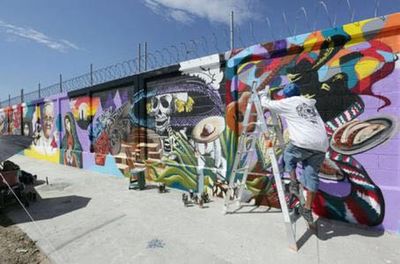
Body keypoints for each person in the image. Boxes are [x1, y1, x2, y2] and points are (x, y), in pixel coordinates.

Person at [259, 83, 329, 225]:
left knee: (288, 155)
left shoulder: (287, 102)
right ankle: (307, 209)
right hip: (322, 145)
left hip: (304, 142)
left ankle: (293, 183)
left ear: (286, 95)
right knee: (311, 175)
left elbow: (265, 103)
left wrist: (262, 94)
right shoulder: (309, 103)